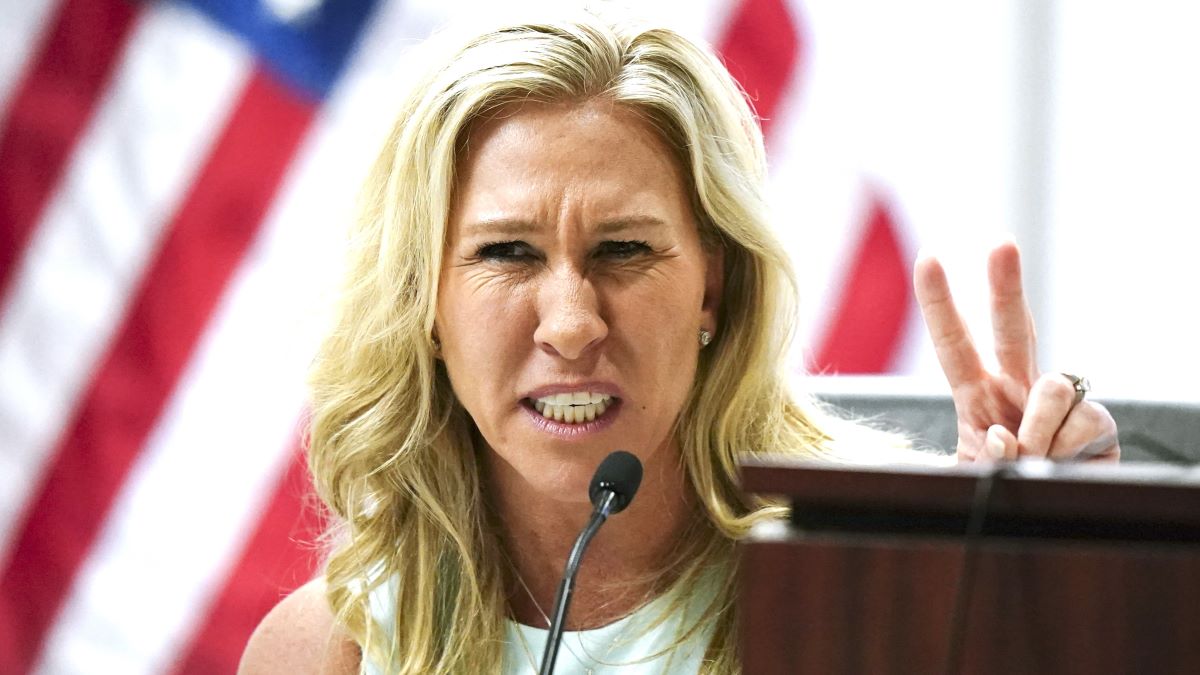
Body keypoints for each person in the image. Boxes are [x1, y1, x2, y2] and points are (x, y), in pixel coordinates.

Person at [239, 7, 1119, 674]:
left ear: (714, 284)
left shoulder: (868, 605)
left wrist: (1052, 597)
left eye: (624, 249)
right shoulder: (322, 651)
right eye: (507, 252)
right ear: (424, 305)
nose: (573, 322)